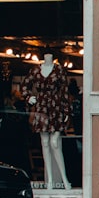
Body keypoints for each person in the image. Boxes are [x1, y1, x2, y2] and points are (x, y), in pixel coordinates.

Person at [22, 53, 73, 189]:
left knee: (54, 143)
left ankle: (64, 178)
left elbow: (65, 91)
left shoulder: (59, 70)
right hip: (42, 108)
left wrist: (67, 110)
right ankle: (49, 179)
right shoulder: (35, 70)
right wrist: (29, 97)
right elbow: (24, 86)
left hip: (56, 108)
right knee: (45, 143)